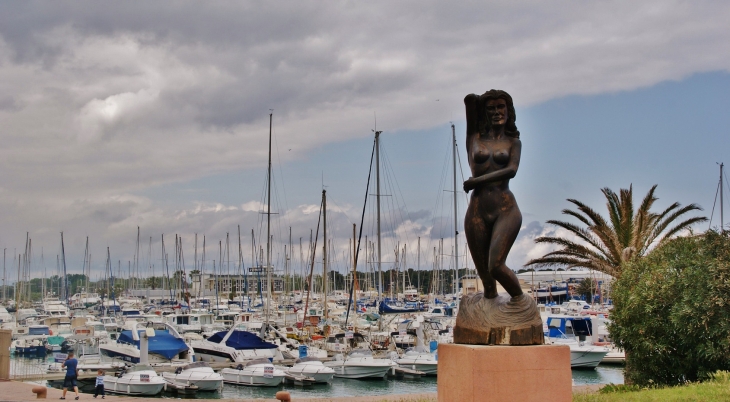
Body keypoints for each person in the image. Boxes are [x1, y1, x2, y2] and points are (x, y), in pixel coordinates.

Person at [463, 89, 524, 299]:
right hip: (477, 212)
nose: (497, 112)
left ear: (509, 112)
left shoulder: (513, 143)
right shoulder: (474, 139)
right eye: (491, 108)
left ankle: (521, 305)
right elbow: (469, 101)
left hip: (505, 209)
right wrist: (478, 103)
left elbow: (512, 170)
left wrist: (476, 181)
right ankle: (489, 319)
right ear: (484, 113)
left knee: (496, 266)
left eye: (501, 107)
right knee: (487, 283)